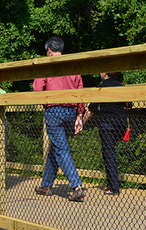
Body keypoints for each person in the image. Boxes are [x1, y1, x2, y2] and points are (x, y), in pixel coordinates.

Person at [33, 36, 86, 202]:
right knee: (56, 148)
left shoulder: (46, 65)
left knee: (61, 149)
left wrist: (44, 103)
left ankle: (76, 187)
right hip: (71, 112)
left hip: (54, 110)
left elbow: (37, 89)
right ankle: (45, 185)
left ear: (49, 51)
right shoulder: (72, 65)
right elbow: (81, 92)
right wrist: (79, 115)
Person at [82, 72, 128, 195]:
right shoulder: (121, 86)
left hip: (107, 125)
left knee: (109, 155)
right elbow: (129, 104)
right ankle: (111, 183)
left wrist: (82, 123)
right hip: (121, 125)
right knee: (112, 153)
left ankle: (114, 187)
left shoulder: (101, 87)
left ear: (106, 73)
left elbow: (91, 110)